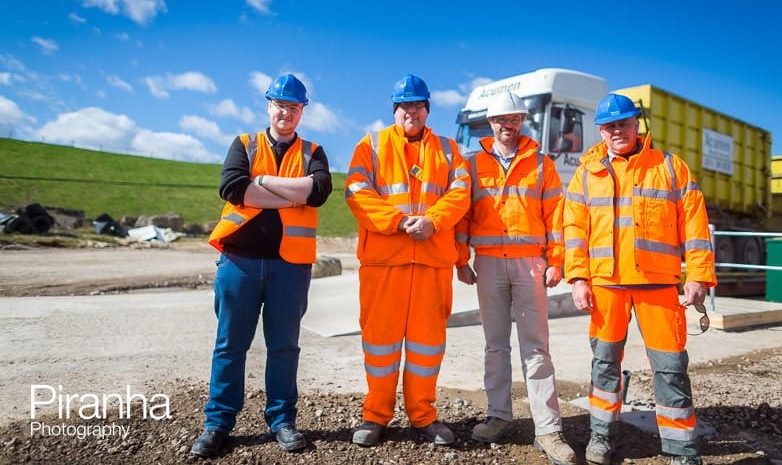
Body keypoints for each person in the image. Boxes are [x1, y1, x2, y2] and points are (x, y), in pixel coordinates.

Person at [563, 93, 716, 465]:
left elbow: (694, 226)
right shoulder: (587, 173)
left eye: (624, 123)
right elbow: (573, 229)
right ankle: (601, 436)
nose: (618, 130)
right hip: (606, 286)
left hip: (659, 286)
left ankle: (682, 450)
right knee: (604, 363)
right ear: (601, 130)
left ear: (637, 125)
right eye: (610, 125)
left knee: (670, 366)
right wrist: (578, 277)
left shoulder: (670, 166)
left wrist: (698, 275)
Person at [191, 74, 333, 457]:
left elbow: (318, 191)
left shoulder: (314, 151)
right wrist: (292, 195)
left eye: (293, 106)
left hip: (290, 266)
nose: (286, 112)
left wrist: (265, 182)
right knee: (229, 346)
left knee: (284, 347)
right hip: (239, 262)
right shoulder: (243, 144)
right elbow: (235, 187)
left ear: (302, 111)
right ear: (268, 105)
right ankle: (218, 423)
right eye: (280, 104)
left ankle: (282, 421)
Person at [344, 73, 471, 447]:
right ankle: (375, 416)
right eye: (403, 106)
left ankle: (424, 416)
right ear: (394, 110)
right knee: (380, 343)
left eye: (416, 105)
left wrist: (433, 221)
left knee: (427, 345)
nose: (409, 111)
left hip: (432, 263)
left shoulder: (449, 150)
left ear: (427, 109)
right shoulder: (371, 145)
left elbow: (461, 193)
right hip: (385, 262)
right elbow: (356, 192)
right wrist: (399, 222)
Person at [455, 91, 576, 465]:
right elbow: (462, 215)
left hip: (530, 265)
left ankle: (548, 428)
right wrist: (461, 259)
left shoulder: (542, 164)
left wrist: (557, 261)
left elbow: (557, 216)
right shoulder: (472, 164)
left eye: (514, 119)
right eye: (500, 120)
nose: (507, 126)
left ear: (522, 121)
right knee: (495, 346)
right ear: (489, 123)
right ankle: (498, 415)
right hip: (489, 264)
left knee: (536, 348)